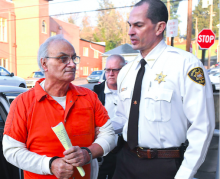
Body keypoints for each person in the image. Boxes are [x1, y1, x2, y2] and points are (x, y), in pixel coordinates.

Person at [111, 1, 215, 179]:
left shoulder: (185, 65)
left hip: (164, 167)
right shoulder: (127, 71)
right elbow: (121, 118)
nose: (130, 31)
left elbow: (202, 127)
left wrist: (184, 175)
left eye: (138, 25)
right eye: (130, 25)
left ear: (160, 28)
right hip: (125, 163)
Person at [3, 35, 115, 179]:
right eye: (63, 59)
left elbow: (110, 135)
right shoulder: (22, 103)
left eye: (74, 58)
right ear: (44, 64)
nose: (72, 64)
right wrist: (50, 165)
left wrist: (88, 153)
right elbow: (12, 150)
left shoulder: (89, 97)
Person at [93, 54, 126, 179]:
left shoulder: (132, 92)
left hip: (127, 152)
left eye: (115, 70)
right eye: (108, 70)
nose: (111, 74)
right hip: (104, 152)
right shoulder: (95, 94)